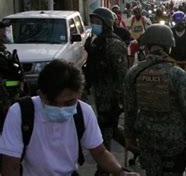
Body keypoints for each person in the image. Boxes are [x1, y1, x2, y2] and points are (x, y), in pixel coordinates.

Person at [0, 60, 137, 176]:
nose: (61, 108)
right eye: (53, 103)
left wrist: (120, 172)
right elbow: (11, 164)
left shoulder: (83, 112)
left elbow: (100, 152)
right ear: (41, 94)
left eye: (69, 103)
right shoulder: (20, 112)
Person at [124, 24, 186, 176]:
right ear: (169, 48)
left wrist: (129, 136)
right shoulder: (177, 74)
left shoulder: (134, 72)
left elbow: (129, 109)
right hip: (174, 142)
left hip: (147, 139)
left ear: (146, 48)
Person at [84, 7, 129, 176]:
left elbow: (122, 74)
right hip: (99, 94)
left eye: (98, 22)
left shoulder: (114, 44)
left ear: (107, 24)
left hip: (111, 97)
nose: (94, 25)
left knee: (105, 132)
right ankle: (137, 147)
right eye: (92, 22)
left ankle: (103, 169)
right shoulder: (95, 42)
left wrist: (120, 100)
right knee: (111, 129)